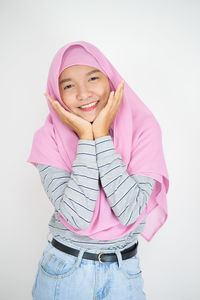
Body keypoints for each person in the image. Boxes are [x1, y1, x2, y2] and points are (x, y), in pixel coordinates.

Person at [27, 41, 169, 300]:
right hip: (64, 272)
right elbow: (77, 218)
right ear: (56, 94)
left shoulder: (144, 129)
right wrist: (86, 137)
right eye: (68, 85)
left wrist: (101, 135)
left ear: (111, 80)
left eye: (93, 78)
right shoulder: (48, 138)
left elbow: (129, 212)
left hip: (124, 272)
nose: (83, 93)